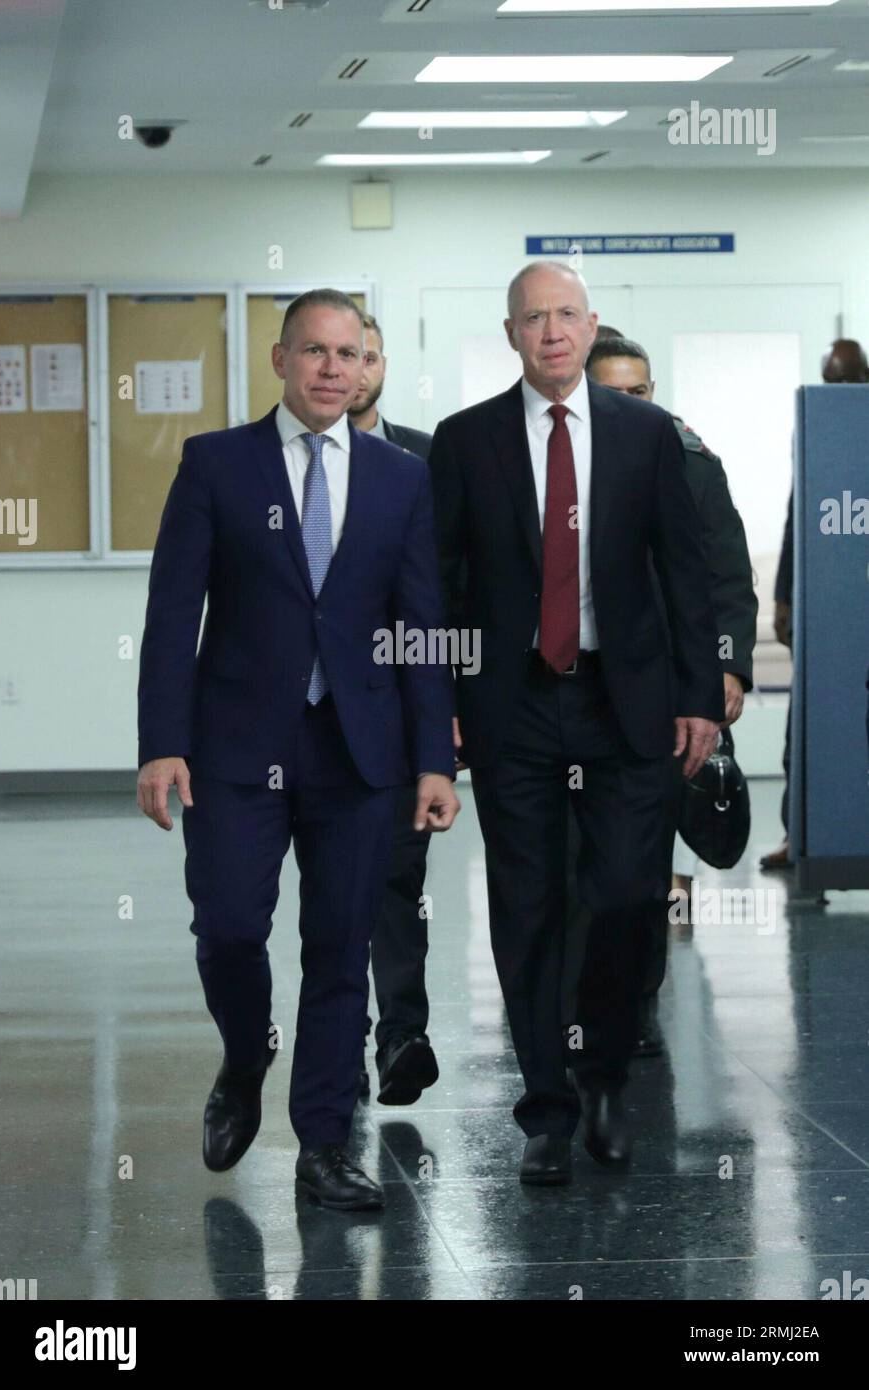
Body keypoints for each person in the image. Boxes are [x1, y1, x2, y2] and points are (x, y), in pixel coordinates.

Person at [136, 288, 459, 1212]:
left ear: (369, 368)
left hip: (361, 755)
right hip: (236, 749)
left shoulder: (401, 476)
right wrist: (162, 744)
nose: (332, 369)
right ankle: (245, 1056)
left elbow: (421, 625)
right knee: (232, 927)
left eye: (349, 354)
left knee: (340, 950)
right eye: (313, 351)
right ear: (280, 361)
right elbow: (170, 619)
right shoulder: (216, 465)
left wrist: (433, 757)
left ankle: (324, 1144)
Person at [429, 262, 723, 1183]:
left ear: (590, 327)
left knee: (629, 893)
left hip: (624, 700)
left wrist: (700, 694)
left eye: (565, 316)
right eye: (533, 319)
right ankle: (548, 1110)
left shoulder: (647, 437)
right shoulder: (466, 441)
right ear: (510, 333)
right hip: (512, 704)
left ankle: (603, 1080)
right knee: (528, 906)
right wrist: (438, 702)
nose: (551, 333)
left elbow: (687, 570)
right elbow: (439, 586)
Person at [584, 335, 757, 1054]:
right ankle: (562, 1004)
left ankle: (633, 1007)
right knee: (564, 860)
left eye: (639, 393)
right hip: (563, 684)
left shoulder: (687, 459)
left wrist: (727, 667)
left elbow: (724, 569)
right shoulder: (538, 459)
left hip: (657, 686)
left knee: (644, 856)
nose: (628, 406)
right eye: (611, 394)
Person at [348, 314, 441, 1104]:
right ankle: (337, 1048)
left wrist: (448, 708)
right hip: (310, 717)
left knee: (398, 880)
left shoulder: (426, 460)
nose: (354, 367)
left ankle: (402, 1036)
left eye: (367, 354)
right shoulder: (266, 462)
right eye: (338, 352)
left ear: (383, 364)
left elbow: (448, 595)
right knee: (332, 888)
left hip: (403, 708)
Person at [761, 338, 869, 870]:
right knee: (801, 727)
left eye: (850, 380)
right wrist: (783, 595)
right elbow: (796, 512)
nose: (840, 390)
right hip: (821, 605)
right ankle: (797, 835)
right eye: (832, 380)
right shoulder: (815, 425)